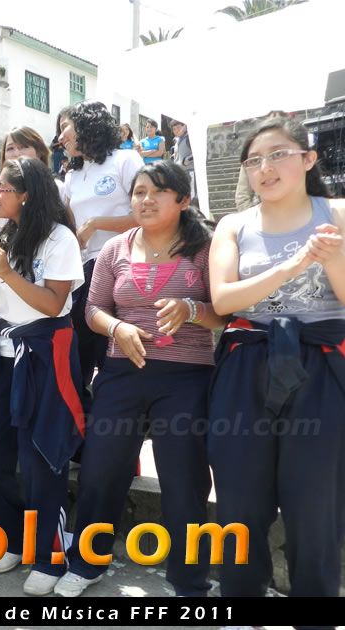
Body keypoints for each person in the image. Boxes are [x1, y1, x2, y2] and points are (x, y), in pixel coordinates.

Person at [57, 161, 224, 598]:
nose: (145, 200)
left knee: (184, 480)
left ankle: (189, 582)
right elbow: (93, 310)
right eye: (139, 192)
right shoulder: (116, 248)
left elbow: (223, 312)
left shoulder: (205, 248)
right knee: (100, 471)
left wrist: (190, 310)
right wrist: (117, 327)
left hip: (186, 378)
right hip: (121, 373)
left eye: (158, 191)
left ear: (182, 200)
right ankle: (87, 562)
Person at [208, 117, 345, 598]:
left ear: (308, 159)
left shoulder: (338, 213)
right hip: (247, 364)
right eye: (254, 161)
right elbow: (223, 299)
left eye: (278, 154)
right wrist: (294, 264)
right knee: (239, 497)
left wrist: (332, 259)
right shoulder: (233, 225)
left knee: (316, 503)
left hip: (322, 367)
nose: (264, 168)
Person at [0, 157, 84, 596]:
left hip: (44, 354)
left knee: (41, 458)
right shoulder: (1, 235)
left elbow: (53, 304)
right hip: (2, 353)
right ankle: (11, 536)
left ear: (26, 195)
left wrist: (6, 273)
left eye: (3, 188)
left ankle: (50, 554)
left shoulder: (59, 237)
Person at [59, 100, 143, 398]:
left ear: (87, 125)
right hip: (83, 273)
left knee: (113, 353)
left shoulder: (125, 160)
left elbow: (144, 216)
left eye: (65, 127)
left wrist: (96, 224)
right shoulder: (72, 176)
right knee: (79, 350)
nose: (61, 137)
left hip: (123, 265)